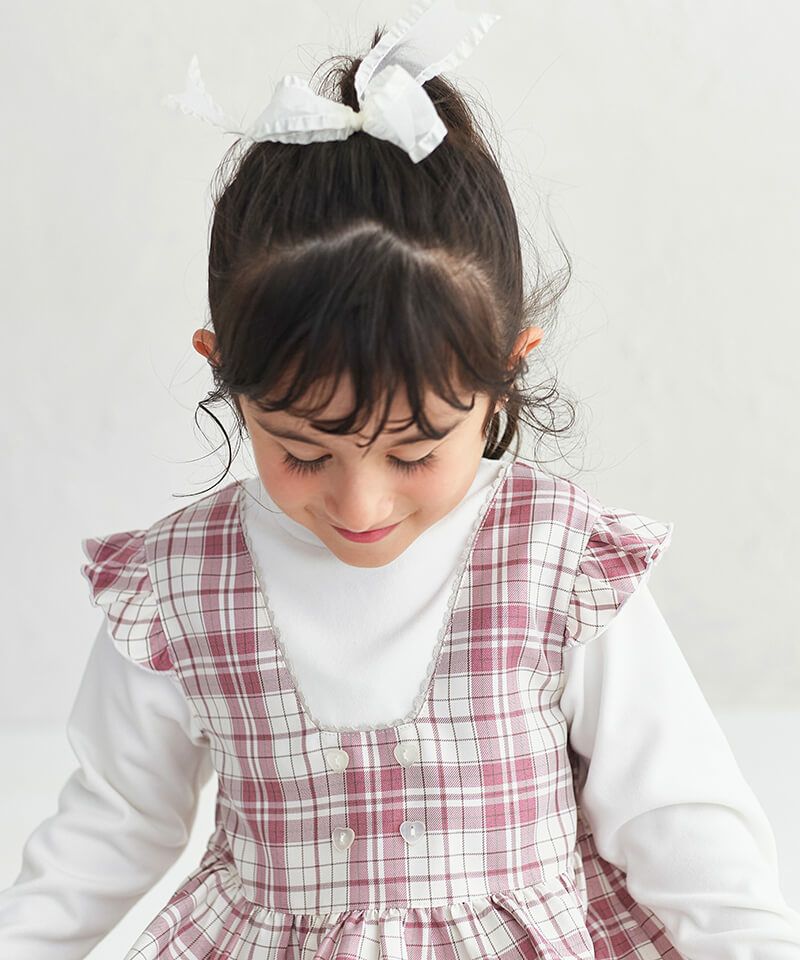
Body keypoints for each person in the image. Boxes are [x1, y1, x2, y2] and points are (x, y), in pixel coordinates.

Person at [2, 0, 799, 957]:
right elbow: (115, 820)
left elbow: (678, 816)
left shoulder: (557, 563)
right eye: (304, 451)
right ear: (225, 373)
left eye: (415, 454)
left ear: (507, 371)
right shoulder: (178, 588)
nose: (360, 504)